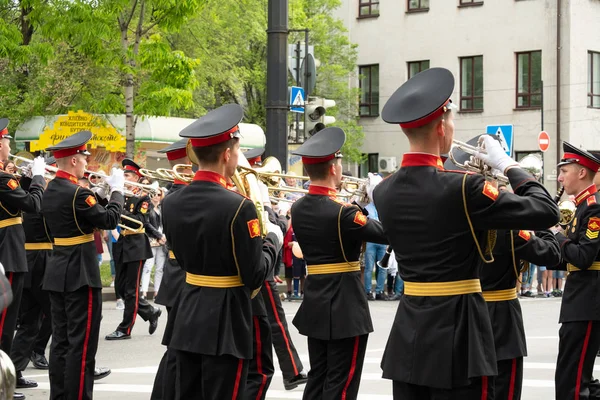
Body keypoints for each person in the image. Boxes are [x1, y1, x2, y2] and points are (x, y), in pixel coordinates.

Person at [373, 67, 559, 399]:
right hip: (460, 331)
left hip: (409, 329)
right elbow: (546, 211)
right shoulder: (465, 187)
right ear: (443, 127)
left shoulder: (384, 191)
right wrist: (508, 166)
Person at [160, 104, 282, 399]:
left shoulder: (171, 202)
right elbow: (254, 275)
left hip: (188, 310)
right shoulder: (239, 206)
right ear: (227, 153)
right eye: (237, 150)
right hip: (226, 319)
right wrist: (271, 242)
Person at [290, 127, 388, 400]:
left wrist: (359, 205)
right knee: (342, 383)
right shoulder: (344, 213)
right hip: (345, 304)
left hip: (316, 300)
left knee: (318, 377)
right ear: (334, 168)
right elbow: (386, 232)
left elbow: (332, 220)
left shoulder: (298, 207)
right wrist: (378, 197)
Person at [42, 130, 123, 399]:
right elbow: (110, 220)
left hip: (57, 270)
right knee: (82, 344)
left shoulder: (51, 188)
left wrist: (97, 192)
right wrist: (117, 191)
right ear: (75, 161)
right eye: (84, 159)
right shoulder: (78, 193)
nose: (87, 164)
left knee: (61, 342)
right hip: (80, 272)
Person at [0, 118, 46, 400]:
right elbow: (33, 204)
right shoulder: (3, 178)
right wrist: (39, 177)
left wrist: (26, 178)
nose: (9, 145)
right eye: (6, 140)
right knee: (5, 324)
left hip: (8, 251)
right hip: (8, 252)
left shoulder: (5, 177)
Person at [550, 143, 600, 400]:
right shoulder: (581, 207)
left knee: (574, 381)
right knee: (570, 376)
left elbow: (582, 257)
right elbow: (568, 257)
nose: (559, 178)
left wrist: (556, 236)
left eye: (565, 171)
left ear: (582, 173)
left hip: (587, 301)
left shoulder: (593, 208)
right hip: (578, 301)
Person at [150, 139, 192, 400]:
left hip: (177, 275)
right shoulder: (178, 197)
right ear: (187, 166)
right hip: (181, 277)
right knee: (178, 349)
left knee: (178, 348)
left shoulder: (175, 195)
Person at [105, 158, 163, 340]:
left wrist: (118, 209)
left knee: (131, 290)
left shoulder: (143, 197)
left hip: (136, 245)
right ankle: (150, 311)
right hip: (122, 243)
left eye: (127, 175)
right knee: (122, 288)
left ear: (136, 178)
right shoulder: (121, 194)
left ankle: (125, 329)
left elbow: (141, 220)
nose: (124, 177)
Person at [142, 188, 166, 299]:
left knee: (160, 268)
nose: (156, 196)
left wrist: (164, 236)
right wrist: (158, 235)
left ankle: (157, 292)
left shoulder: (163, 208)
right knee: (148, 266)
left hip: (162, 241)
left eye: (159, 194)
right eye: (154, 194)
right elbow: (146, 224)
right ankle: (144, 292)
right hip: (151, 239)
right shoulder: (147, 207)